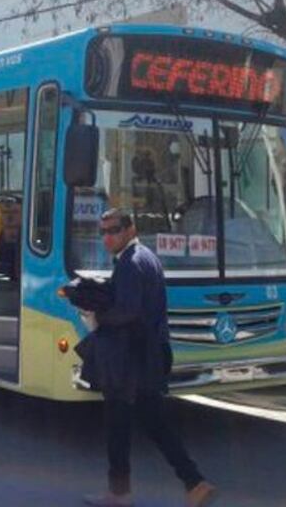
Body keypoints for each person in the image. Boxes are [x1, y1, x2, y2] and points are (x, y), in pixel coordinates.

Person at [79, 209, 216, 507]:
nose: (106, 237)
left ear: (130, 229)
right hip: (145, 355)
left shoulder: (131, 263)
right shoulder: (146, 257)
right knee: (155, 423)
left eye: (113, 230)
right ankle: (194, 482)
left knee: (117, 425)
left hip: (128, 357)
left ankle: (119, 494)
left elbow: (128, 310)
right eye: (102, 231)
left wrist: (97, 316)